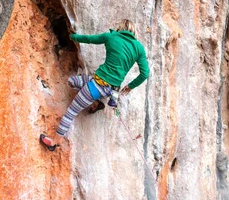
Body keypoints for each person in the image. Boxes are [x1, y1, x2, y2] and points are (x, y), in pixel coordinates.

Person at [40, 19, 149, 151]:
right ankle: (96, 103)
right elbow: (145, 73)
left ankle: (54, 143)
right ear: (133, 32)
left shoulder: (112, 36)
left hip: (96, 86)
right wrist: (130, 86)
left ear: (120, 28)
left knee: (71, 112)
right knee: (72, 81)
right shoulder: (139, 49)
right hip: (109, 89)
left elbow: (89, 39)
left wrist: (73, 36)